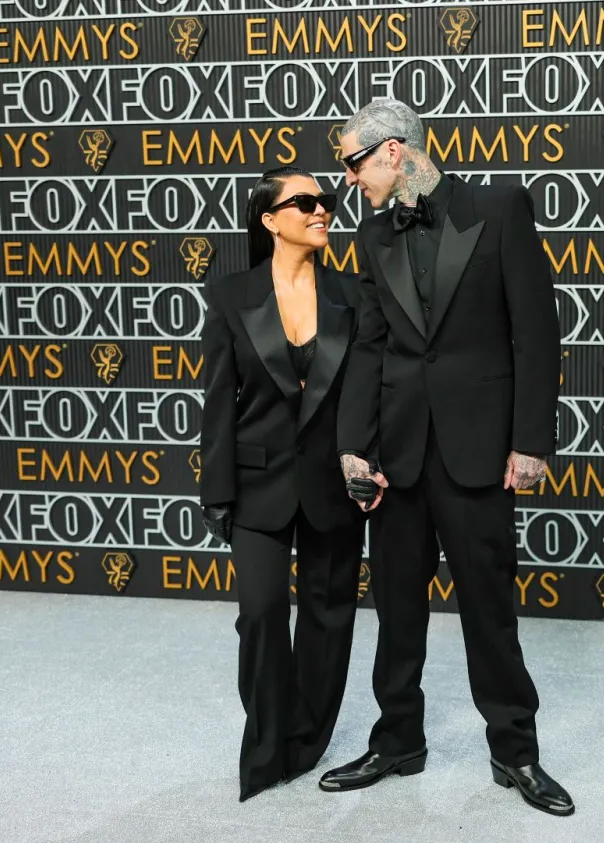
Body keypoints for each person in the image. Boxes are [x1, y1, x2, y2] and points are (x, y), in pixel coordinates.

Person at [323, 99, 574, 817]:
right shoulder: (373, 233)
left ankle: (515, 749)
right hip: (398, 452)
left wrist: (530, 441)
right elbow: (369, 346)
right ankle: (398, 738)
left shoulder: (497, 208)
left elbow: (536, 331)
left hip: (478, 450)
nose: (349, 179)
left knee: (489, 608)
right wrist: (353, 447)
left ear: (394, 152)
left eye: (354, 163)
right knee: (397, 606)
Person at [198, 166, 366, 802]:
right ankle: (266, 740)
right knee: (263, 614)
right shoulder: (231, 294)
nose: (321, 210)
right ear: (269, 220)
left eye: (324, 202)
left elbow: (366, 394)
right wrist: (217, 493)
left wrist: (366, 462)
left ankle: (307, 737)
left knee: (329, 617)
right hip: (256, 483)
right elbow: (217, 404)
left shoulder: (352, 293)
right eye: (304, 203)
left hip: (333, 485)